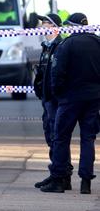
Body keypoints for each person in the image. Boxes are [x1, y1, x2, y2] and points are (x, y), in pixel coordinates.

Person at [41, 13, 100, 194]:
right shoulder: (98, 42)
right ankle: (86, 182)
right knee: (88, 139)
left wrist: (58, 93)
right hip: (93, 99)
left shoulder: (67, 45)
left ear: (72, 25)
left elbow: (57, 73)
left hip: (69, 99)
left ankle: (59, 180)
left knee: (61, 137)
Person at [33, 13, 72, 191]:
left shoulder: (60, 46)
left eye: (46, 23)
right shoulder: (47, 46)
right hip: (46, 97)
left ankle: (62, 176)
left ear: (54, 26)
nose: (42, 25)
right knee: (51, 136)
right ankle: (57, 172)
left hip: (55, 98)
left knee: (58, 137)